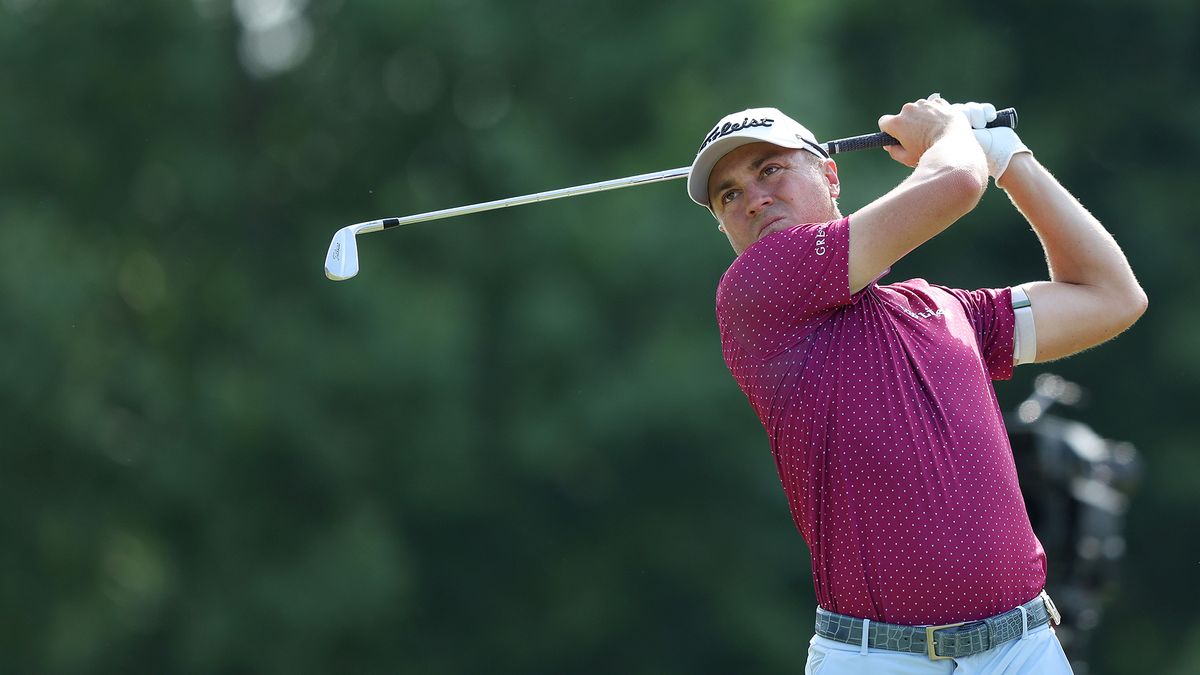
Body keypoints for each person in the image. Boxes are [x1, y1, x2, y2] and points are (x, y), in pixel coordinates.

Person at [685, 95, 1146, 674]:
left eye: (770, 168)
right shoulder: (755, 291)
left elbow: (1111, 296)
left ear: (830, 174)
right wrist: (950, 131)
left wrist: (1010, 159)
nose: (753, 198)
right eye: (729, 195)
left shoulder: (942, 308)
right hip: (877, 658)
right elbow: (955, 183)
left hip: (1023, 646)